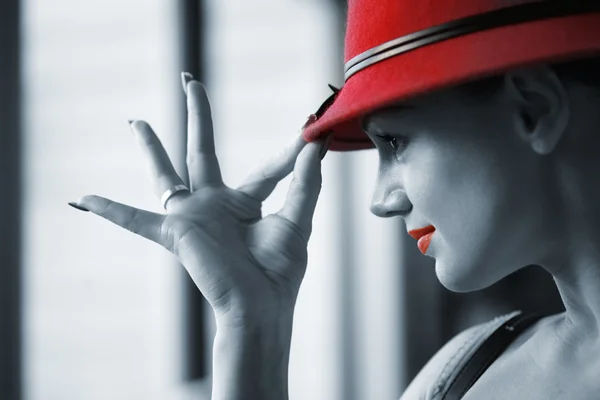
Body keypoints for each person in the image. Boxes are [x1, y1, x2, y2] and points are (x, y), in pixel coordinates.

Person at [69, 0, 600, 399]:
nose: (380, 199)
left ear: (533, 109)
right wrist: (252, 328)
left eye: (395, 141)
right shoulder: (462, 373)